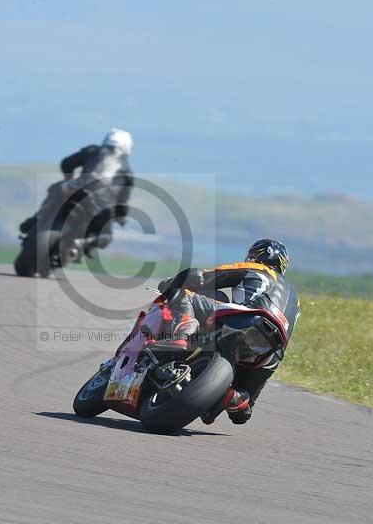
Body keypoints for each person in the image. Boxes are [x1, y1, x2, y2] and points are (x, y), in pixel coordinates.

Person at [157, 239, 300, 426]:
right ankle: (234, 398)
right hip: (271, 350)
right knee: (243, 409)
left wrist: (171, 283)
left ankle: (181, 338)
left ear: (255, 255)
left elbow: (203, 277)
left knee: (184, 294)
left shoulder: (258, 268)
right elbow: (241, 419)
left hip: (248, 319)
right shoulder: (295, 299)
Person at [19, 128, 134, 255]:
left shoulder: (92, 151)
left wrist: (69, 179)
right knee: (106, 237)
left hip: (75, 191)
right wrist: (121, 218)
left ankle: (37, 219)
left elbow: (67, 164)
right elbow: (122, 204)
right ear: (127, 147)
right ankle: (82, 244)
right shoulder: (127, 173)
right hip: (101, 208)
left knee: (57, 188)